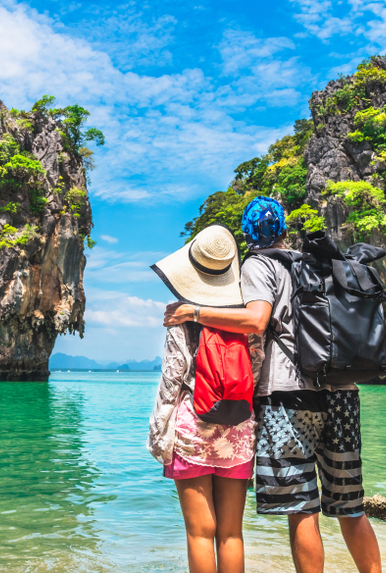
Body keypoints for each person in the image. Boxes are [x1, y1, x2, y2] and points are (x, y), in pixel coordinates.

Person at [163, 197, 382, 573]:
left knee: (301, 507)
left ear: (247, 235)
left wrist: (194, 312)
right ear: (283, 229)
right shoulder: (317, 261)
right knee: (350, 505)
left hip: (289, 397)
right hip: (342, 391)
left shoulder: (259, 264)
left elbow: (257, 319)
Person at [148, 224, 256, 573]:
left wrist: (158, 434)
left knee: (199, 533)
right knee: (231, 533)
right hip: (238, 428)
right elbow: (257, 365)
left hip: (193, 425)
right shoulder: (245, 315)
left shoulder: (181, 314)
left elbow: (172, 377)